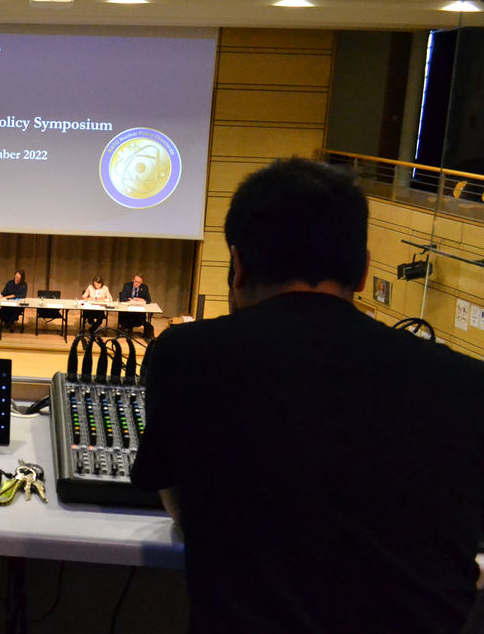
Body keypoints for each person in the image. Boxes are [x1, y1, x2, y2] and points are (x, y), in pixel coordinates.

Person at [130, 158, 484, 634]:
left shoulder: (186, 355)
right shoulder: (468, 384)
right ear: (362, 272)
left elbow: (182, 508)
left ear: (237, 267)